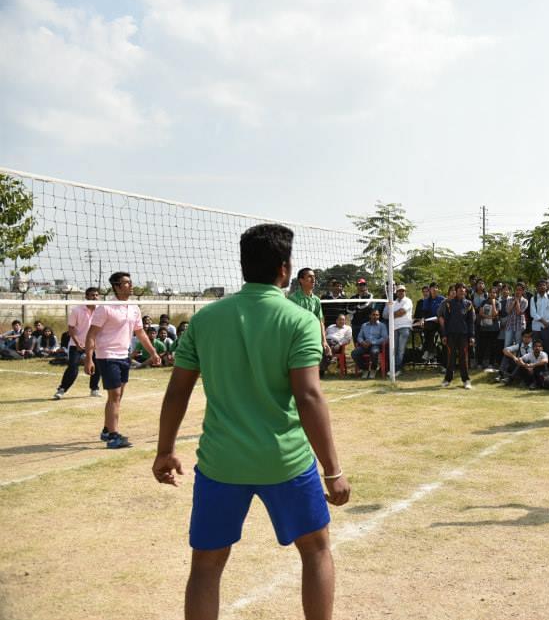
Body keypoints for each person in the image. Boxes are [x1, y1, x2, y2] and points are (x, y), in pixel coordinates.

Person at [152, 223, 350, 620]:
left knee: (206, 566)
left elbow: (177, 391)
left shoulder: (205, 320)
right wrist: (333, 470)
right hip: (285, 460)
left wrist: (165, 451)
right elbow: (308, 396)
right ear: (284, 269)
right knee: (316, 550)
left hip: (220, 463)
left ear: (243, 266)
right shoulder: (300, 320)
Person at [85, 271, 161, 449]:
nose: (131, 285)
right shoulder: (105, 308)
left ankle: (106, 429)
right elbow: (91, 334)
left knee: (117, 397)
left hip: (123, 356)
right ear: (117, 286)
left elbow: (140, 334)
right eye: (126, 283)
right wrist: (89, 358)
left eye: (130, 282)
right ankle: (113, 436)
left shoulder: (134, 307)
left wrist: (153, 353)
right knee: (115, 395)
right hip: (107, 355)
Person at [54, 287, 103, 400]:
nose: (94, 297)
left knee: (97, 366)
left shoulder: (101, 310)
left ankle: (94, 389)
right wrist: (77, 343)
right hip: (76, 344)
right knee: (72, 367)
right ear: (86, 297)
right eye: (92, 295)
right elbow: (70, 328)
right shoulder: (77, 310)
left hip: (94, 344)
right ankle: (62, 389)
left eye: (96, 295)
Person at [437, 282, 475, 389]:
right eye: (459, 291)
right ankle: (447, 379)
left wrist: (472, 336)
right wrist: (444, 335)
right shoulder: (449, 304)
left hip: (464, 335)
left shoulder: (468, 304)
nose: (462, 292)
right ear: (456, 292)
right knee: (451, 358)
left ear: (465, 292)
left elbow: (471, 321)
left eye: (464, 291)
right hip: (451, 335)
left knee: (464, 358)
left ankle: (466, 380)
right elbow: (445, 321)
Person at [351, 310, 387, 379]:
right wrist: (362, 342)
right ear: (370, 316)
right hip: (365, 345)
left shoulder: (382, 326)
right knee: (354, 353)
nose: (375, 316)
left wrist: (373, 342)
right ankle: (365, 369)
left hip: (375, 345)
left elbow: (384, 338)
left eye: (377, 315)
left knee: (374, 352)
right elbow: (359, 337)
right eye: (373, 315)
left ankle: (373, 369)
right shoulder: (364, 325)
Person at [389, 285, 413, 376]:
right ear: (396, 292)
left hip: (404, 327)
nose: (401, 292)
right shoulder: (394, 302)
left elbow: (402, 311)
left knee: (400, 350)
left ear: (405, 292)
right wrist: (394, 314)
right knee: (394, 349)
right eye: (399, 291)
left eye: (403, 291)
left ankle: (398, 369)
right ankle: (395, 369)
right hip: (394, 328)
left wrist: (392, 314)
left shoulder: (408, 301)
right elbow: (386, 314)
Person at [347, 278, 375, 344]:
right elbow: (348, 309)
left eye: (363, 284)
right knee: (356, 342)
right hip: (355, 323)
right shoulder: (353, 297)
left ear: (366, 286)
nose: (361, 286)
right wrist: (358, 308)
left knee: (366, 342)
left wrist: (356, 307)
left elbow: (367, 305)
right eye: (359, 285)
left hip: (367, 323)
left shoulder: (370, 295)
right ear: (357, 286)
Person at [529, 279, 549, 346]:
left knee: (547, 346)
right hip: (536, 327)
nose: (542, 287)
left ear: (546, 286)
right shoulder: (533, 298)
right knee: (536, 347)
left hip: (547, 327)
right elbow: (533, 313)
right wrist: (544, 321)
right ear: (537, 288)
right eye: (540, 285)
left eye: (544, 285)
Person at [503, 283, 528, 349]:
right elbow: (508, 311)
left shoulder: (525, 301)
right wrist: (513, 302)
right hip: (510, 325)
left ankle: (517, 359)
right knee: (507, 344)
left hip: (519, 325)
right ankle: (507, 359)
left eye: (520, 290)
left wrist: (517, 301)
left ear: (523, 291)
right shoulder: (509, 300)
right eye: (516, 290)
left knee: (518, 344)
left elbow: (518, 312)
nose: (518, 291)